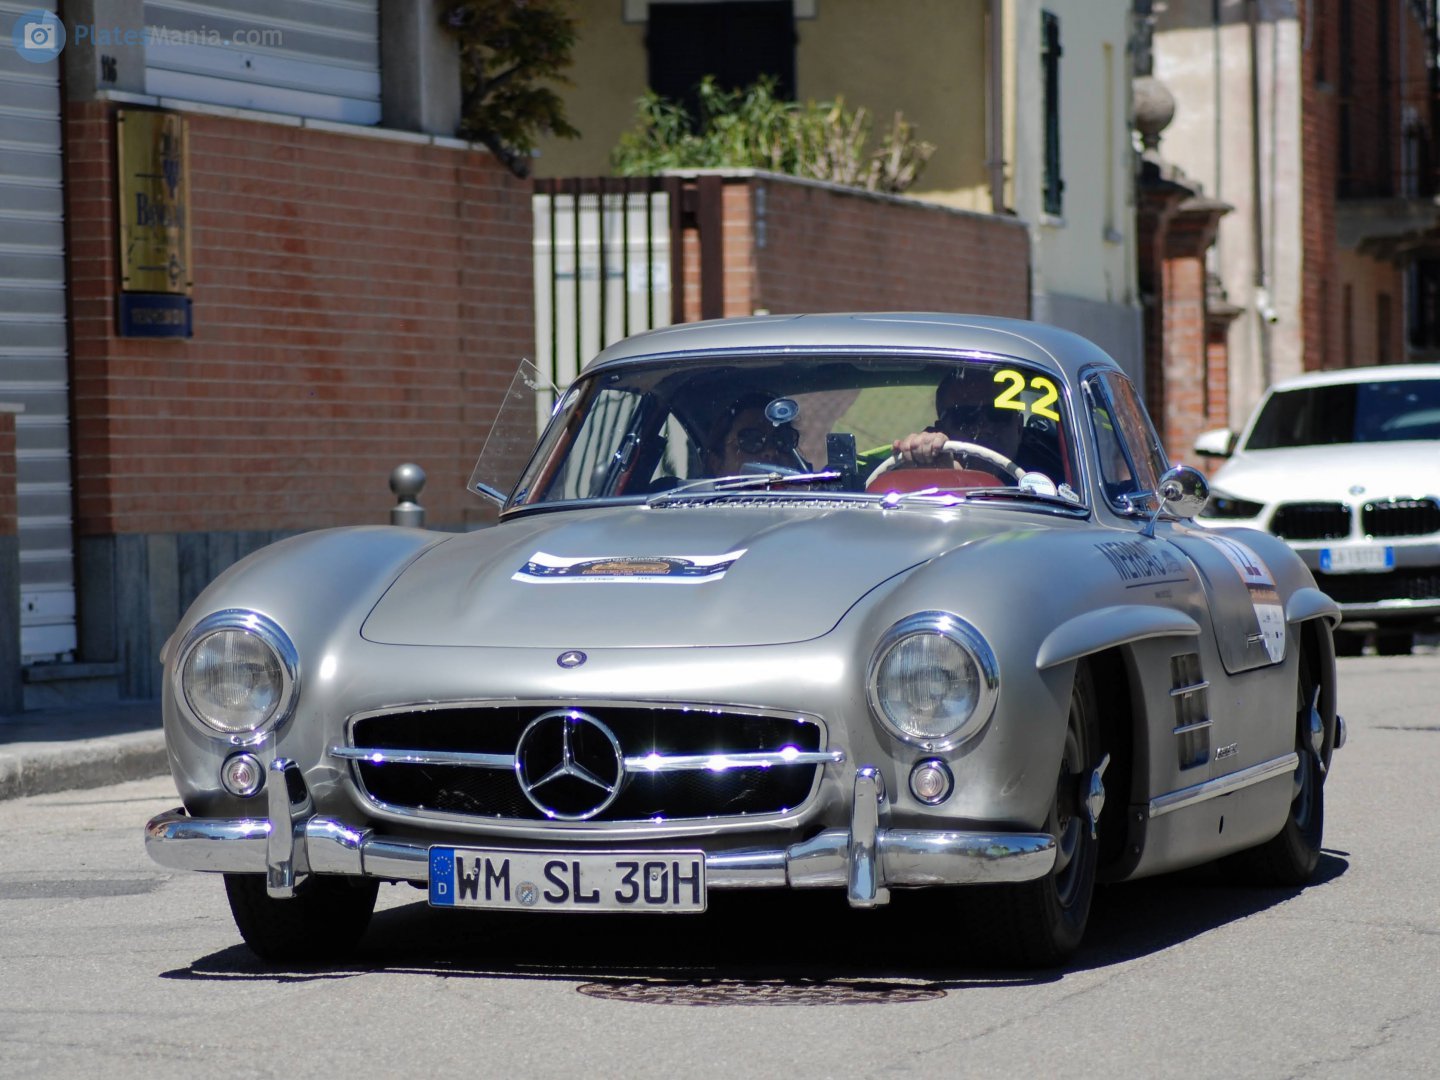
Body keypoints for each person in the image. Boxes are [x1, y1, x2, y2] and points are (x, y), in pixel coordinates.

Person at [890, 368, 1064, 481]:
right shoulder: (922, 469)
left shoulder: (1060, 470)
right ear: (941, 430)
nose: (984, 427)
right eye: (965, 416)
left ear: (1019, 427)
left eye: (998, 414)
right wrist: (920, 470)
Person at [705, 391, 805, 476]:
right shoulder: (698, 494)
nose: (771, 451)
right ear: (717, 464)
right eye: (751, 441)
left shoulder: (812, 491)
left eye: (782, 440)